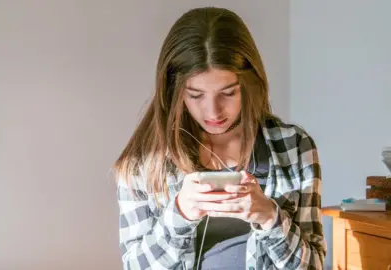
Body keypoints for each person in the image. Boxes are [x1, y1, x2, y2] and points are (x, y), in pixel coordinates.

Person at [113, 6, 326, 270]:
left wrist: (270, 217)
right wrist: (180, 213)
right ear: (174, 91)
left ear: (249, 84)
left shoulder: (294, 148)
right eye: (196, 95)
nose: (213, 111)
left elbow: (313, 265)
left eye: (228, 93)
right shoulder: (142, 165)